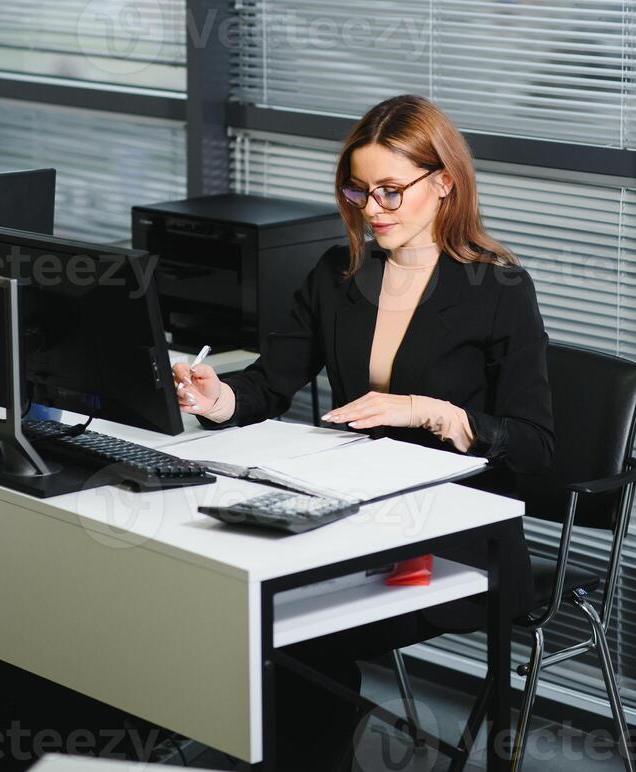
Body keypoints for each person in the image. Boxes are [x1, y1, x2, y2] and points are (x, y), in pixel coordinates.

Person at [173, 94, 555, 772]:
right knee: (239, 604)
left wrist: (430, 412)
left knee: (296, 637)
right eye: (358, 191)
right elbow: (267, 386)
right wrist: (217, 397)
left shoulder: (497, 288)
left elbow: (533, 445)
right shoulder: (338, 274)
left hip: (453, 542)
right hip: (354, 517)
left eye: (388, 191)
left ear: (442, 183)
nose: (369, 209)